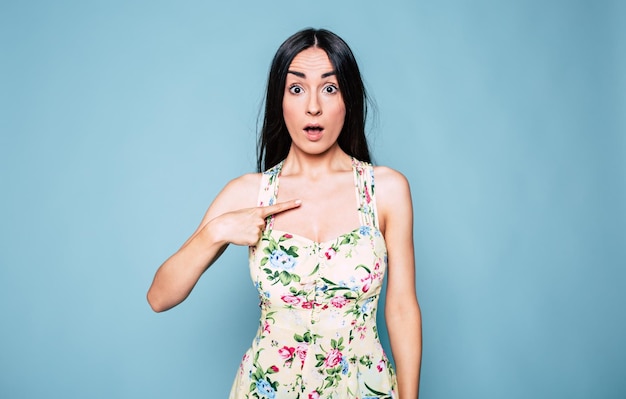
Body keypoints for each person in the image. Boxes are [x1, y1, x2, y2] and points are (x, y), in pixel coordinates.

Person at [147, 28, 422, 399]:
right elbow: (159, 297)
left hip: (362, 389)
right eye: (296, 88)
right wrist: (216, 231)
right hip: (267, 389)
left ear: (349, 99)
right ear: (280, 100)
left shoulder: (385, 190)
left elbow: (402, 309)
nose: (313, 107)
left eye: (329, 88)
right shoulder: (249, 192)